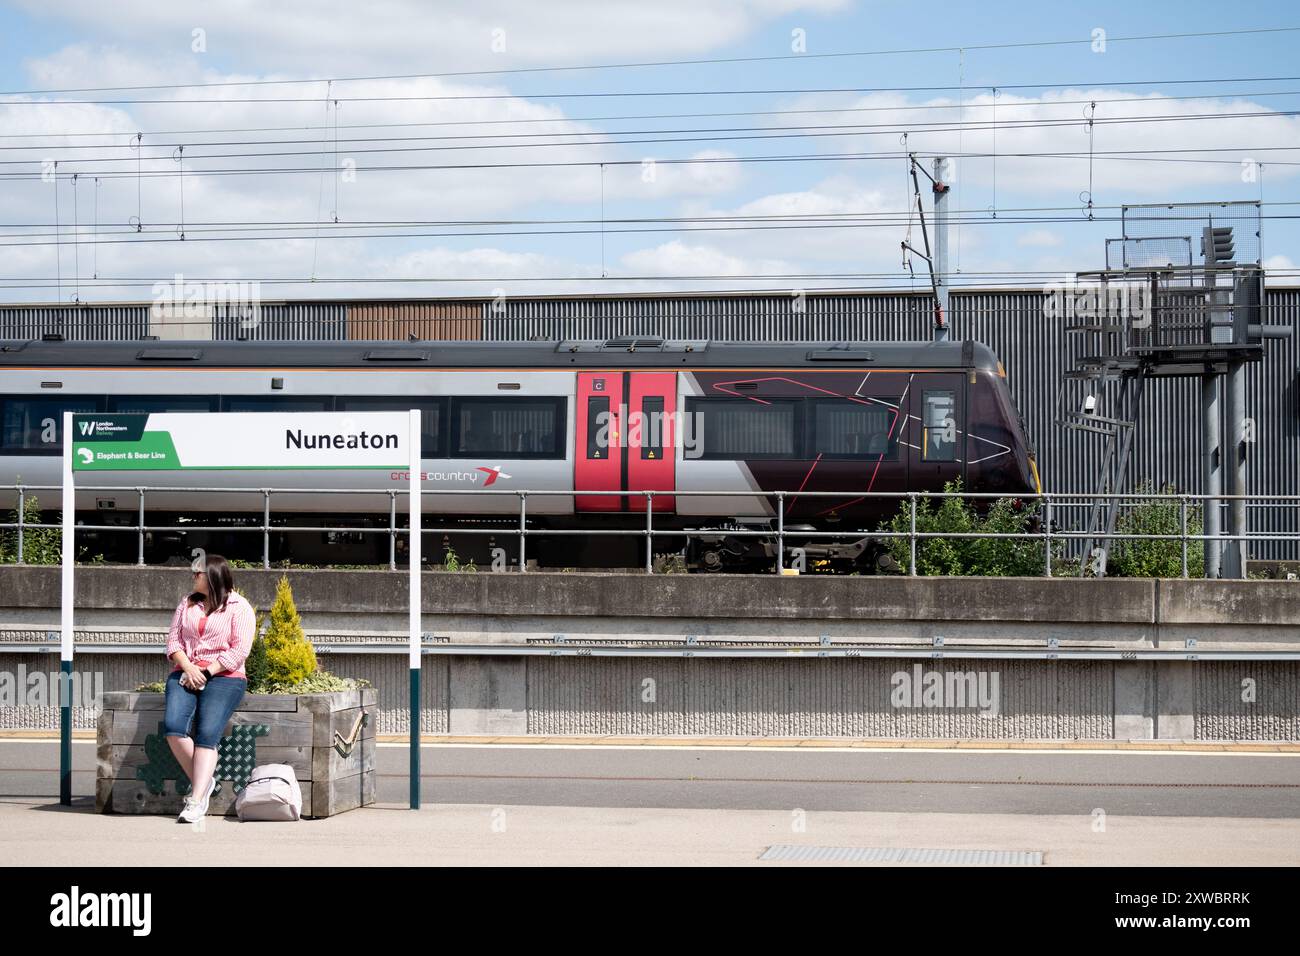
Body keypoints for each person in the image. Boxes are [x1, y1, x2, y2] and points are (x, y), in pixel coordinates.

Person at [162, 553, 254, 823]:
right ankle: (205, 782)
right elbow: (173, 643)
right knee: (174, 728)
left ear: (212, 575)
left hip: (225, 675)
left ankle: (196, 800)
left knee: (206, 734)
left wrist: (207, 670)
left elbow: (240, 649)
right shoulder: (187, 604)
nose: (193, 577)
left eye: (197, 573)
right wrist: (189, 668)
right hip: (186, 672)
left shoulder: (240, 607)